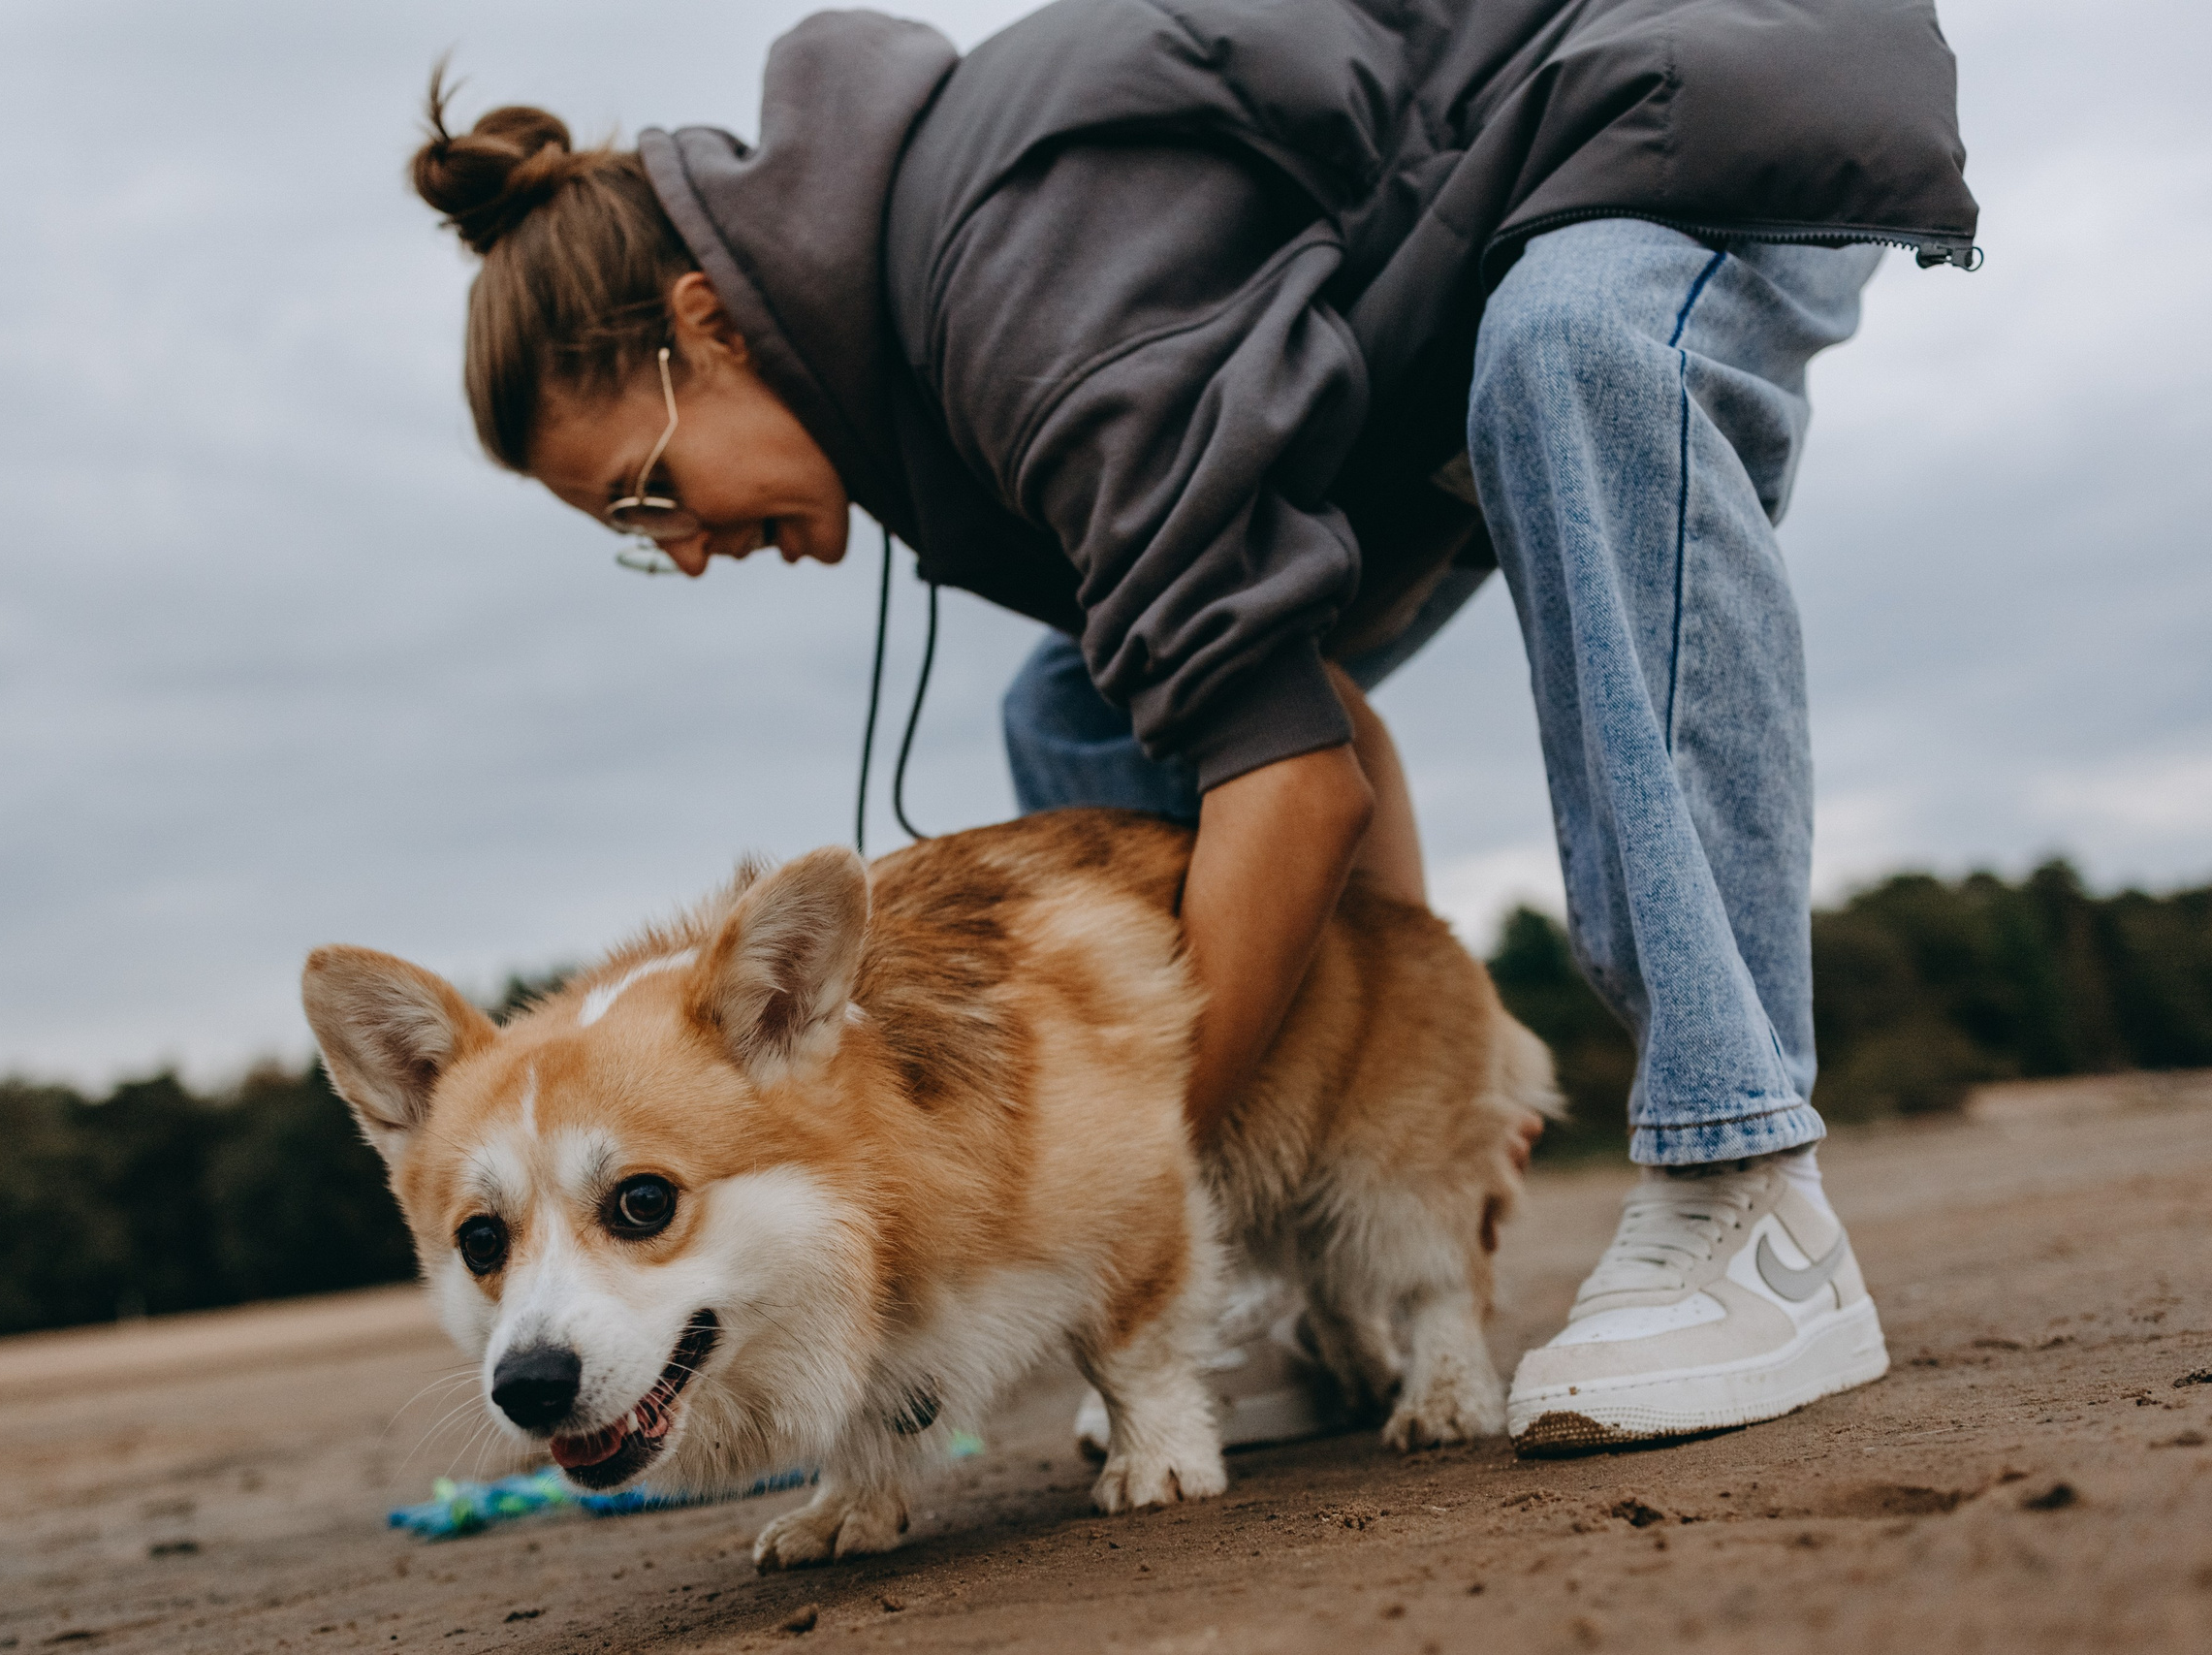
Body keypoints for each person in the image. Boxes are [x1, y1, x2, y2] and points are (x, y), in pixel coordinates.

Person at [406, 0, 1976, 1456]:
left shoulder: (1015, 298)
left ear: (710, 324)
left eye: (650, 491)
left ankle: (1742, 1176)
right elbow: (1308, 728)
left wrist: (1117, 1215)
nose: (677, 548)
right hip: (1444, 277)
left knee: (1572, 356)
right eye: (632, 532)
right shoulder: (926, 369)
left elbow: (1289, 791)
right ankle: (1303, 1275)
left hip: (1679, 75)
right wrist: (1417, 1085)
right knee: (1085, 698)